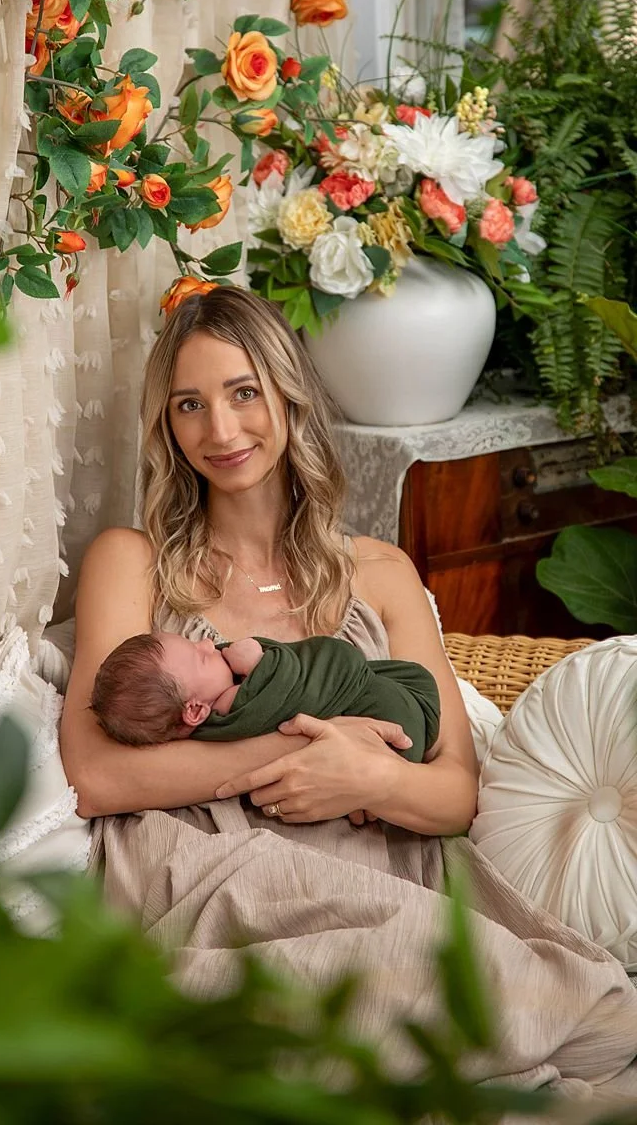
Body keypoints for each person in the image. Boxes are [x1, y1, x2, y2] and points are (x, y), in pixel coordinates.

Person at [60, 286, 637, 1095]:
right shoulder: (132, 560)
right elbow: (96, 775)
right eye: (189, 405)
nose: (220, 431)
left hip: (381, 850)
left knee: (599, 1019)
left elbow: (454, 793)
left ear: (291, 396)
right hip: (210, 862)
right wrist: (300, 755)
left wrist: (371, 778)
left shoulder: (381, 575)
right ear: (167, 426)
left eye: (243, 393)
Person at [90, 630, 440, 762]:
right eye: (202, 656)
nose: (209, 643)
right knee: (407, 684)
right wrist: (260, 661)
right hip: (388, 724)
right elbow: (290, 689)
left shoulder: (210, 714)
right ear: (195, 710)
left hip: (380, 739)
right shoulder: (231, 706)